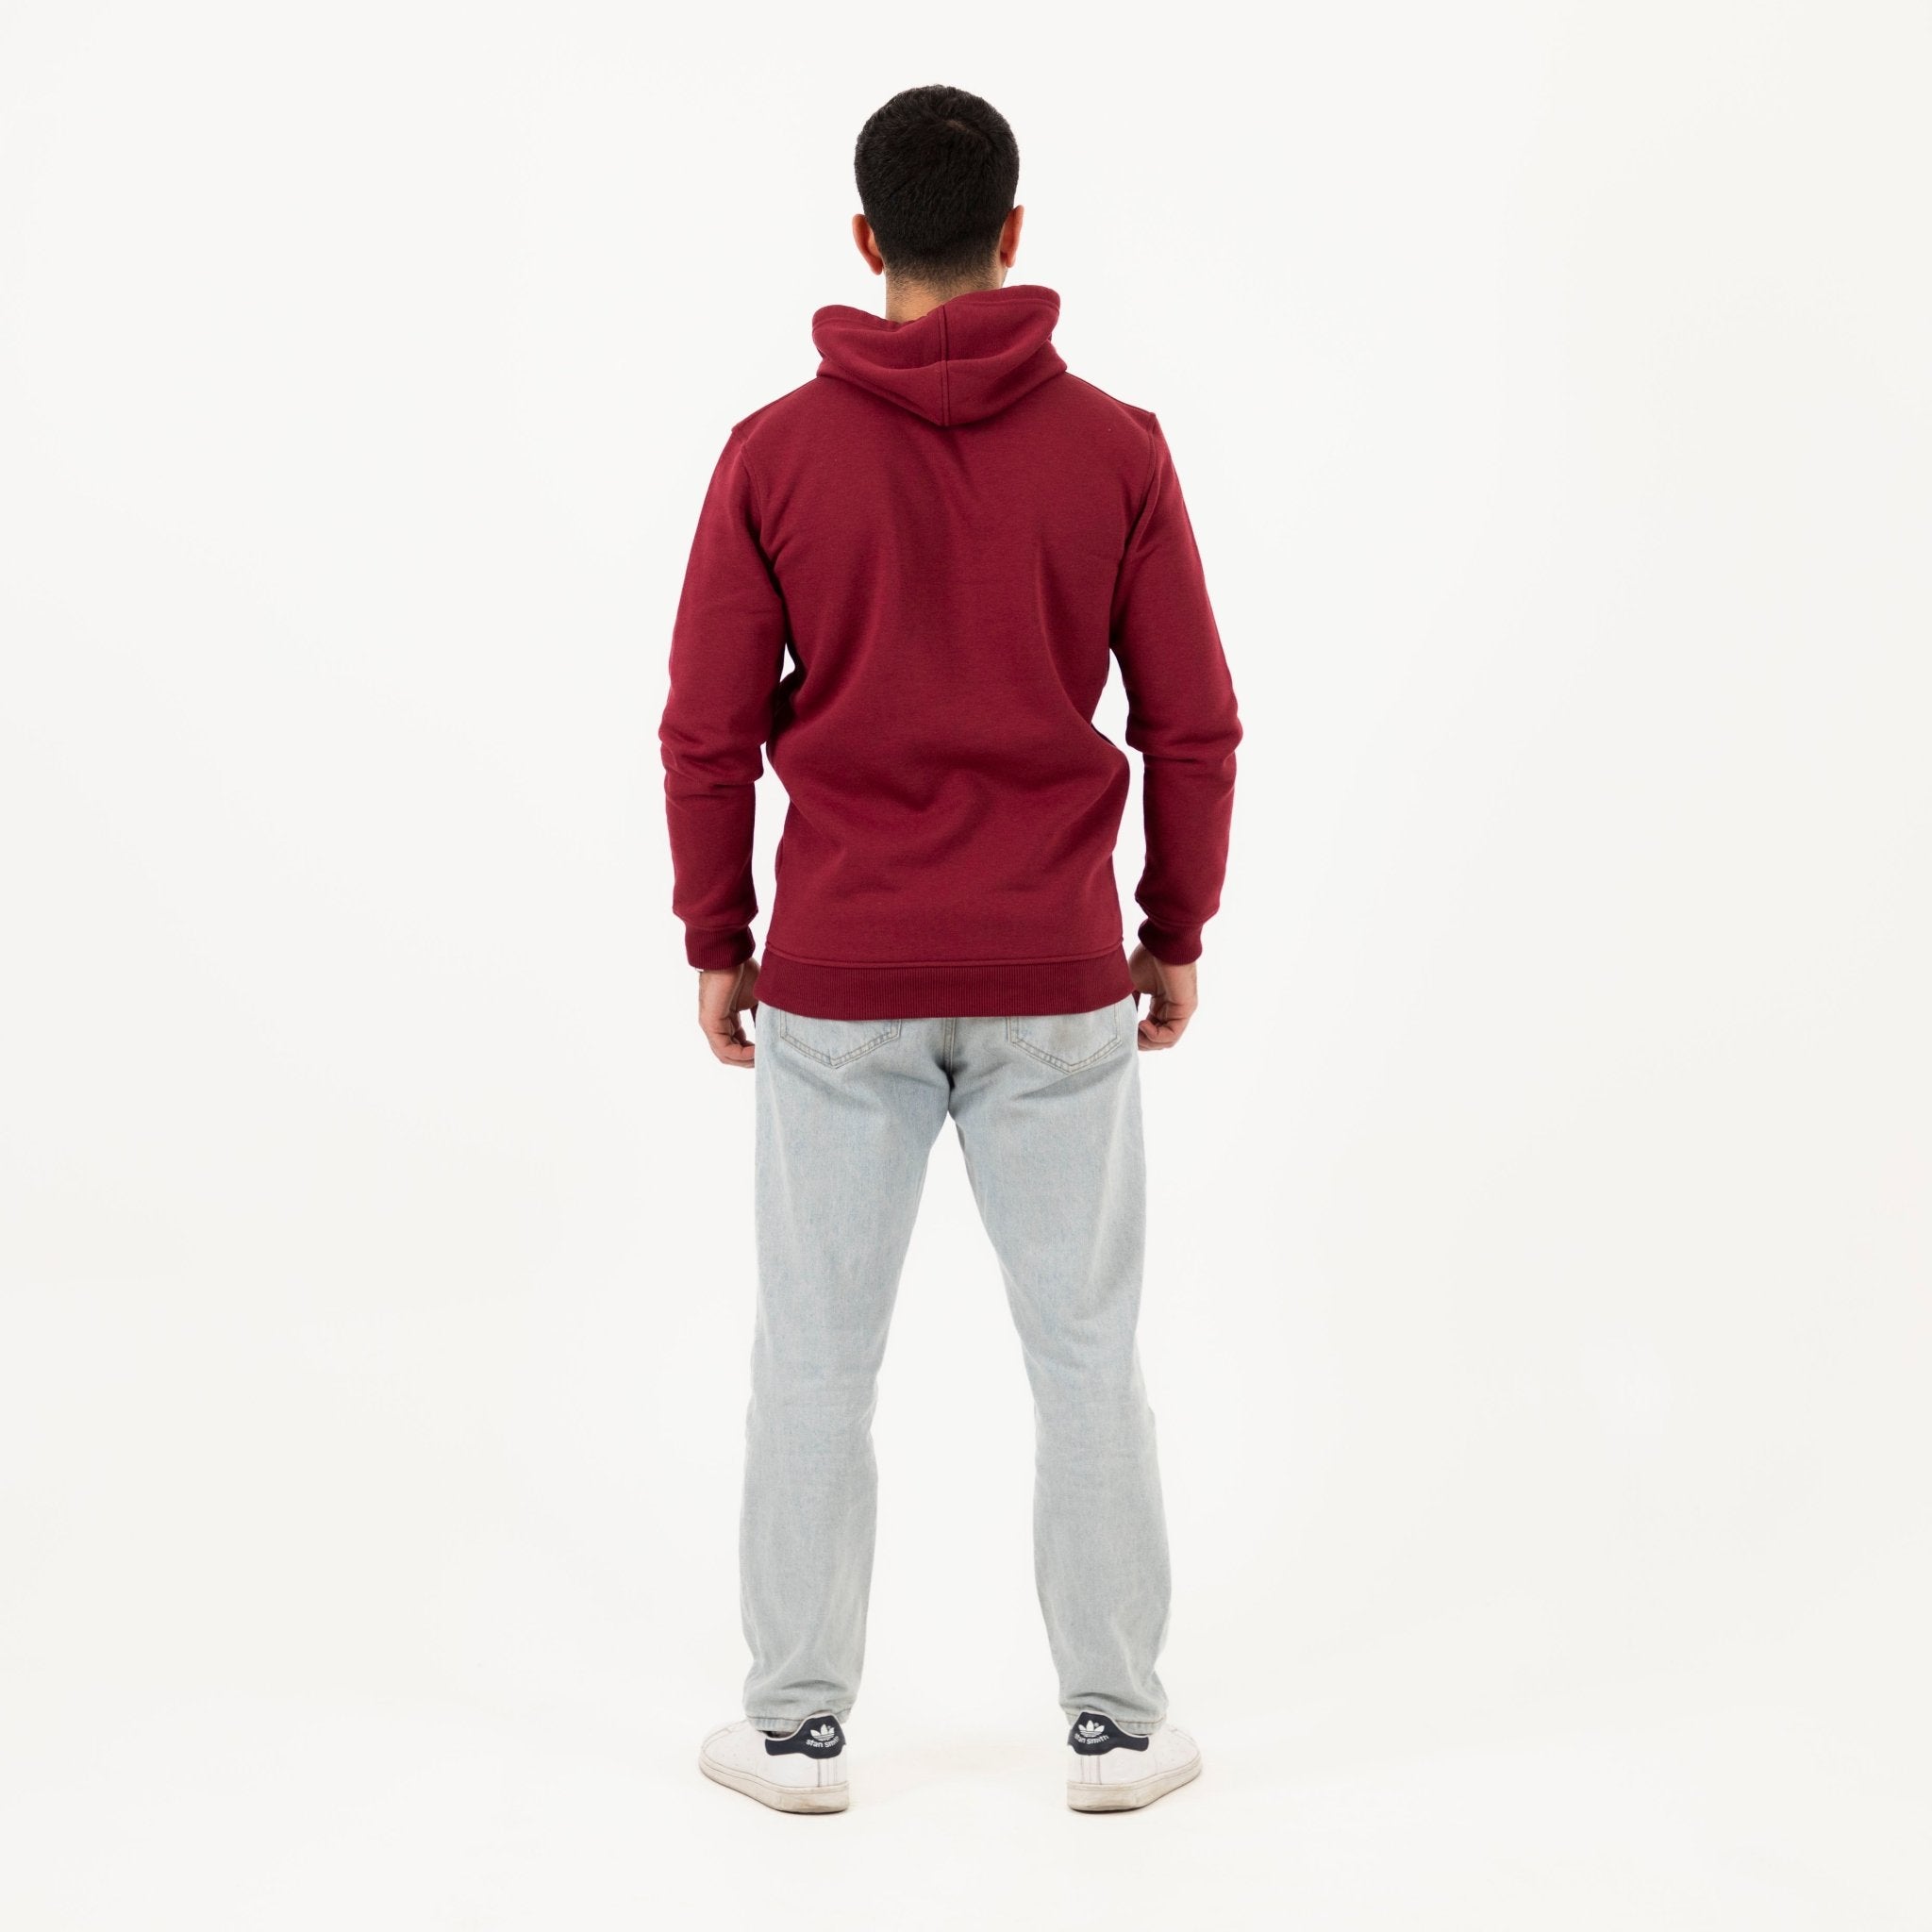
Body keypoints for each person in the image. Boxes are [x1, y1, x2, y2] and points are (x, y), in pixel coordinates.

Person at [661, 83, 1241, 1815]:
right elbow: (1193, 724)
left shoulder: (774, 453)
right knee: (1087, 1355)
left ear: (866, 239)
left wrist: (720, 934)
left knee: (814, 1358)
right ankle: (1118, 1729)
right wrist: (1172, 929)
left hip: (839, 976)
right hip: (1058, 973)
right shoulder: (1118, 449)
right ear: (1012, 235)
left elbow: (705, 731)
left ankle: (792, 1729)